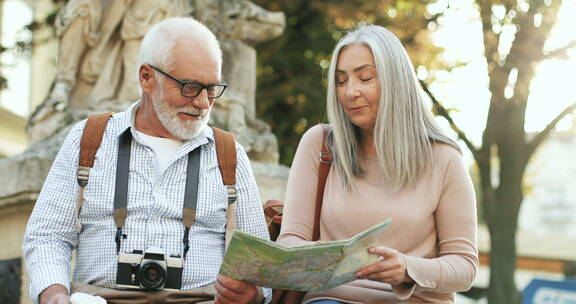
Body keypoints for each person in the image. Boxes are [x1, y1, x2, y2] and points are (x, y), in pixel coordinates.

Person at [23, 17, 270, 304]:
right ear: (146, 78)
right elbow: (47, 236)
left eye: (212, 89)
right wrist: (54, 294)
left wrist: (252, 295)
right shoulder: (89, 138)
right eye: (189, 87)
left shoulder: (229, 154)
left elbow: (260, 267)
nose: (203, 102)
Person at [277, 25, 478, 304]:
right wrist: (325, 257)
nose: (350, 92)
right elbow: (290, 240)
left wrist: (407, 268)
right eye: (341, 80)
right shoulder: (320, 144)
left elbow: (465, 268)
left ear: (396, 81)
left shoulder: (444, 158)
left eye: (365, 77)